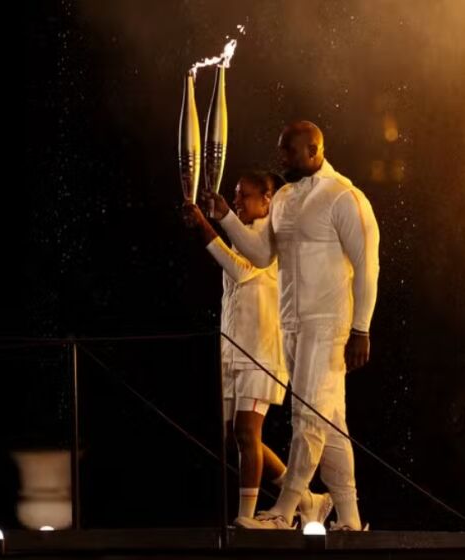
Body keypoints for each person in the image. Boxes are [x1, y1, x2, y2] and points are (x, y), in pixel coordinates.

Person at [201, 121, 380, 530]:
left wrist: (361, 328)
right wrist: (227, 218)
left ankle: (285, 510)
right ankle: (350, 518)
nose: (280, 159)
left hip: (329, 323)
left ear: (314, 149)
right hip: (291, 324)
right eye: (281, 150)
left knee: (308, 416)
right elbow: (262, 254)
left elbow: (368, 265)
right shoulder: (283, 198)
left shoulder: (344, 197)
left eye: (288, 151)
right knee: (330, 422)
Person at [184, 170, 332, 528]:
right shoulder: (242, 235)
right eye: (235, 195)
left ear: (269, 199)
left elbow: (240, 270)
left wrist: (207, 224)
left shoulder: (272, 237)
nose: (237, 202)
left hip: (261, 354)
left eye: (244, 196)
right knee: (237, 434)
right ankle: (308, 499)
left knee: (248, 433)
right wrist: (214, 219)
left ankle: (246, 519)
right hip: (236, 349)